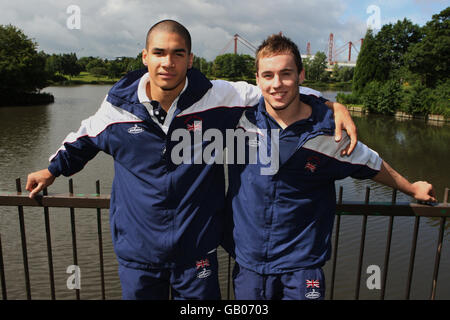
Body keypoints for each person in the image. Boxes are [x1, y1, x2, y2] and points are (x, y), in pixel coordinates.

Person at [26, 20, 357, 300]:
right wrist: (52, 170)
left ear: (189, 59)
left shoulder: (219, 97)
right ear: (145, 57)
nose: (167, 62)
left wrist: (333, 106)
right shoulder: (118, 109)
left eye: (177, 54)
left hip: (197, 252)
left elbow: (278, 90)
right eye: (159, 53)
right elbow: (82, 140)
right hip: (138, 254)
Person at [225, 34, 436, 300]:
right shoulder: (240, 121)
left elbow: (371, 163)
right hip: (250, 263)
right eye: (268, 75)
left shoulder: (330, 133)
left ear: (301, 75)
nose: (277, 84)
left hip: (302, 266)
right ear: (257, 79)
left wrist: (412, 187)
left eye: (286, 74)